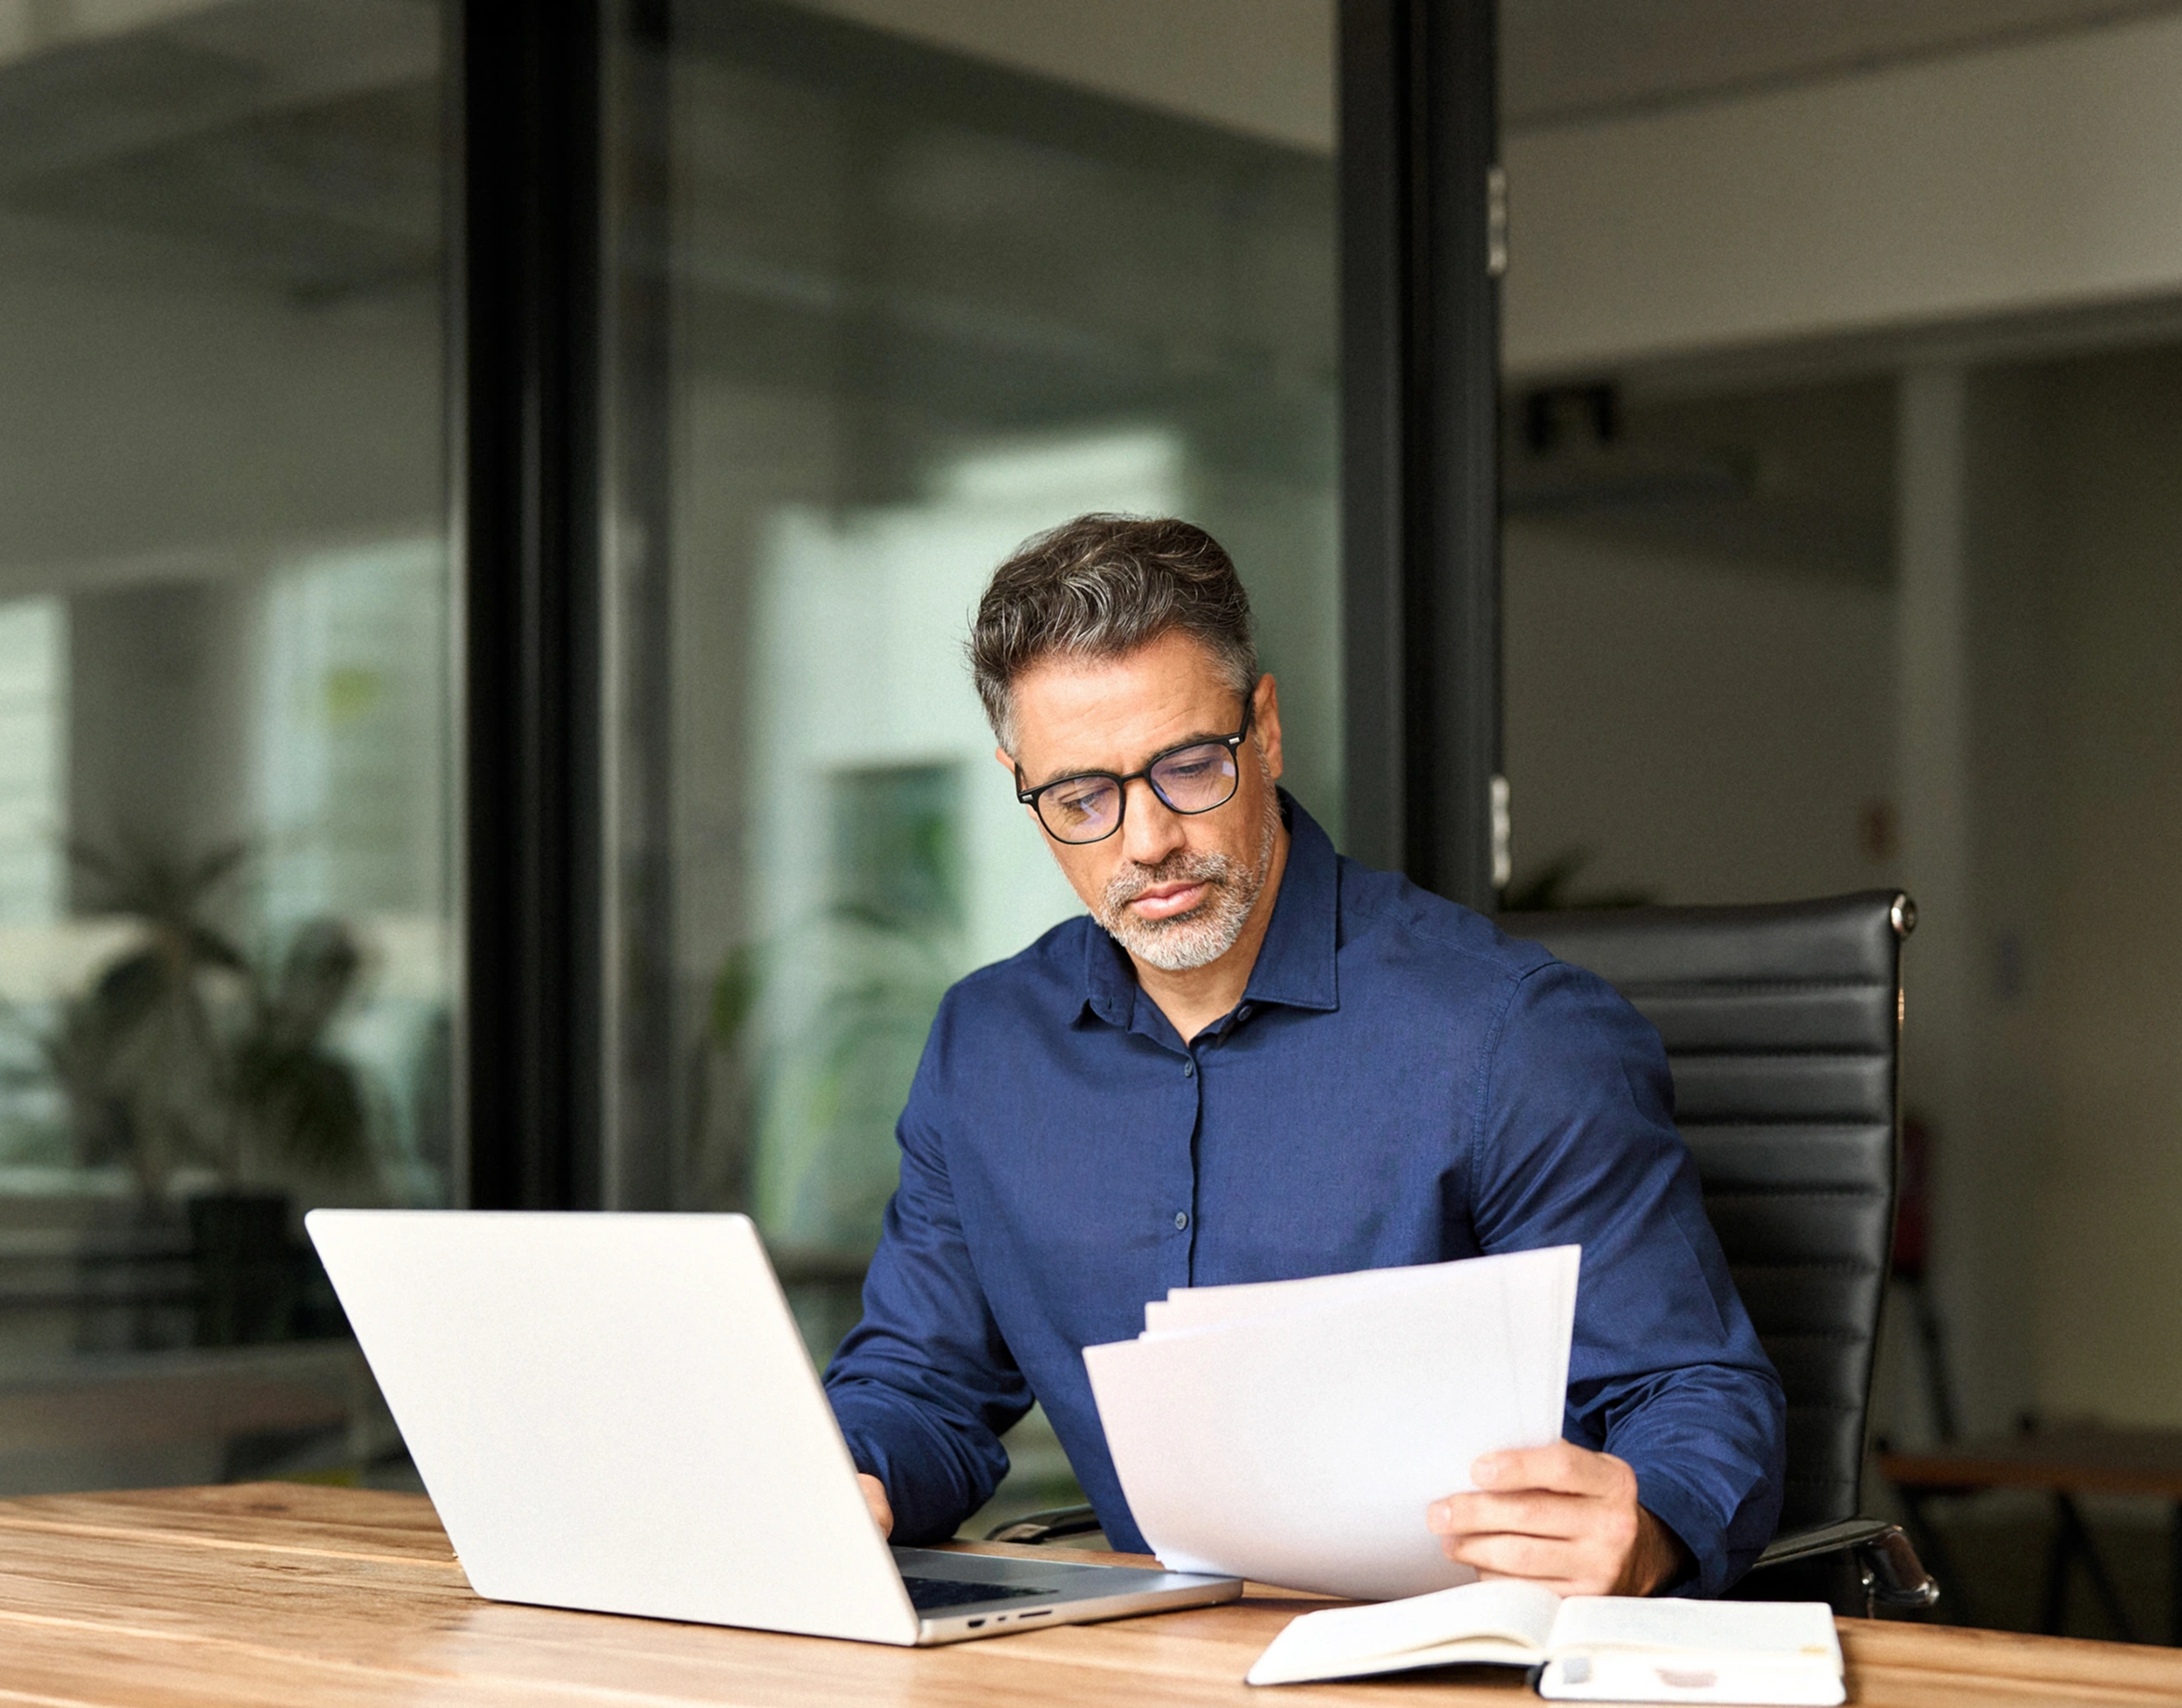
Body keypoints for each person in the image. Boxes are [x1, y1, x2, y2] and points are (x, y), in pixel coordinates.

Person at [823, 514, 1784, 1598]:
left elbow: (1695, 1392)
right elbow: (921, 1386)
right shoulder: (987, 1049)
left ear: (1265, 730)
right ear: (1021, 784)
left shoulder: (1510, 1036)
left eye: (1187, 767)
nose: (1146, 842)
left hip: (1457, 1653)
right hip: (1157, 1658)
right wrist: (848, 1480)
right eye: (1081, 797)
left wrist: (1648, 1523)